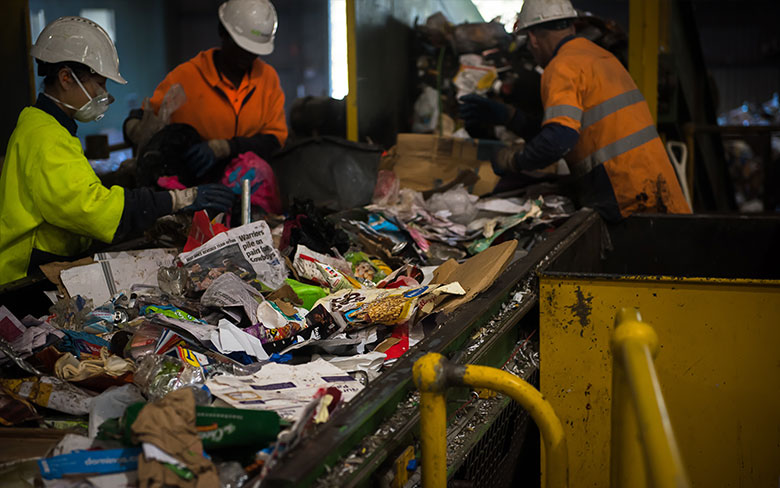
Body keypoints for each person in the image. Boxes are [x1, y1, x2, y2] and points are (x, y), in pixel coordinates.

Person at [0, 17, 235, 285]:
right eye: (99, 83)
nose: (104, 94)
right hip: (23, 276)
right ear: (66, 78)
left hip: (39, 261)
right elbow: (95, 210)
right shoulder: (44, 136)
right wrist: (178, 199)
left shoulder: (47, 125)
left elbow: (72, 194)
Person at [459, 0, 691, 221]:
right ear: (570, 25)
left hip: (624, 194)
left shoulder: (560, 66)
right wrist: (510, 117)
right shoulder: (600, 56)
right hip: (656, 185)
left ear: (533, 38)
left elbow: (558, 140)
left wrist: (513, 160)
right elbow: (572, 128)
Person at [125, 0, 287, 184]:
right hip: (196, 185)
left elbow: (274, 140)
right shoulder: (187, 76)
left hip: (250, 184)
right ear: (222, 33)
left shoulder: (267, 79)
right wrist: (134, 128)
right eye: (241, 46)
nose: (248, 55)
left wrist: (225, 147)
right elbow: (147, 115)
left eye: (254, 50)